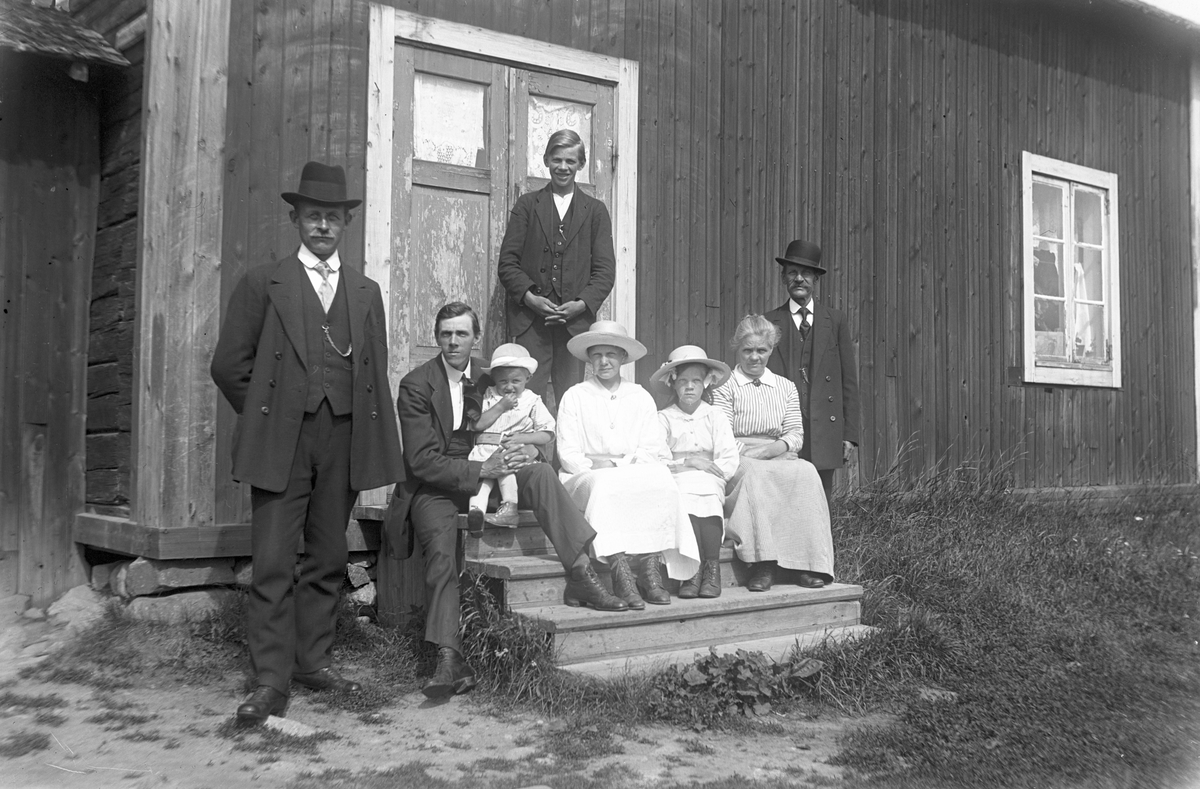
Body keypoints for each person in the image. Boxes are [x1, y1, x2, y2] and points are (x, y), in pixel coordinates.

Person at [210, 161, 404, 724]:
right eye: (313, 216)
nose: (322, 226)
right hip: (282, 442)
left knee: (328, 555)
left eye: (332, 217)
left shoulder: (365, 292)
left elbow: (373, 372)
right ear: (296, 219)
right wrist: (268, 416)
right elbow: (229, 366)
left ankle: (310, 661)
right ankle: (270, 680)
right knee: (273, 559)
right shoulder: (263, 284)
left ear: (345, 224)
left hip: (342, 437)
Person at [385, 303, 628, 700]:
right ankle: (448, 657)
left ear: (475, 338)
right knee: (442, 553)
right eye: (446, 333)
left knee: (542, 473)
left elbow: (530, 423)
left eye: (462, 334)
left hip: (496, 468)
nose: (453, 342)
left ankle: (581, 574)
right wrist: (481, 469)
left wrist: (529, 450)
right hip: (437, 485)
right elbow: (420, 460)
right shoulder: (417, 384)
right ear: (436, 337)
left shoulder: (493, 374)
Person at [556, 321, 699, 608]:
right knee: (606, 484)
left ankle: (649, 568)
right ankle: (620, 570)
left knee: (661, 479)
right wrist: (600, 466)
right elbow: (568, 453)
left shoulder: (639, 396)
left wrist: (618, 465)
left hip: (630, 470)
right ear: (589, 359)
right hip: (585, 475)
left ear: (623, 357)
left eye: (611, 354)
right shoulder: (575, 395)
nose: (604, 361)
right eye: (597, 355)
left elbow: (651, 447)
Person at [712, 315, 834, 592]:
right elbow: (722, 435)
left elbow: (795, 434)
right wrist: (757, 454)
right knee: (755, 474)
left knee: (806, 472)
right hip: (738, 455)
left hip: (776, 452)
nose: (754, 357)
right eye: (748, 350)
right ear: (737, 349)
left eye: (761, 350)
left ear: (770, 350)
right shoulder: (724, 386)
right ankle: (763, 563)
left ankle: (806, 564)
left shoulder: (785, 387)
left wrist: (772, 450)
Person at [497, 129, 616, 402]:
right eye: (557, 160)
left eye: (570, 161)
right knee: (528, 397)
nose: (563, 167)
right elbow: (507, 263)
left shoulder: (595, 211)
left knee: (571, 398)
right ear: (546, 160)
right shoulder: (527, 205)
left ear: (581, 164)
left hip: (573, 325)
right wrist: (530, 299)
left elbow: (605, 272)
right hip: (531, 323)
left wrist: (580, 305)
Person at [764, 239, 860, 500]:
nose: (799, 279)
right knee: (782, 498)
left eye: (806, 273)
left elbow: (848, 381)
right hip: (783, 428)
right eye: (793, 272)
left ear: (815, 279)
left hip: (824, 428)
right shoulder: (769, 321)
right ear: (783, 277)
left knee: (820, 499)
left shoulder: (835, 320)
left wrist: (849, 435)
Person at [650, 346, 740, 599]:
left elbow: (728, 457)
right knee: (685, 492)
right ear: (673, 384)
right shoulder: (664, 418)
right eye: (683, 381)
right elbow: (657, 458)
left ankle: (711, 569)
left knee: (707, 490)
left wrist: (712, 471)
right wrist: (690, 462)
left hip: (711, 476)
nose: (689, 387)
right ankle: (691, 570)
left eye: (696, 381)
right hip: (676, 475)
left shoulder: (715, 415)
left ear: (705, 384)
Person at [467, 343, 556, 530]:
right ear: (494, 378)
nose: (509, 387)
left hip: (511, 450)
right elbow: (477, 425)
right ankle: (476, 514)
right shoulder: (488, 396)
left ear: (528, 378)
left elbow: (547, 433)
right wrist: (501, 406)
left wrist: (524, 438)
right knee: (482, 481)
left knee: (506, 472)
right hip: (484, 451)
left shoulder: (531, 400)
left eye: (516, 381)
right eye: (503, 381)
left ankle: (510, 509)